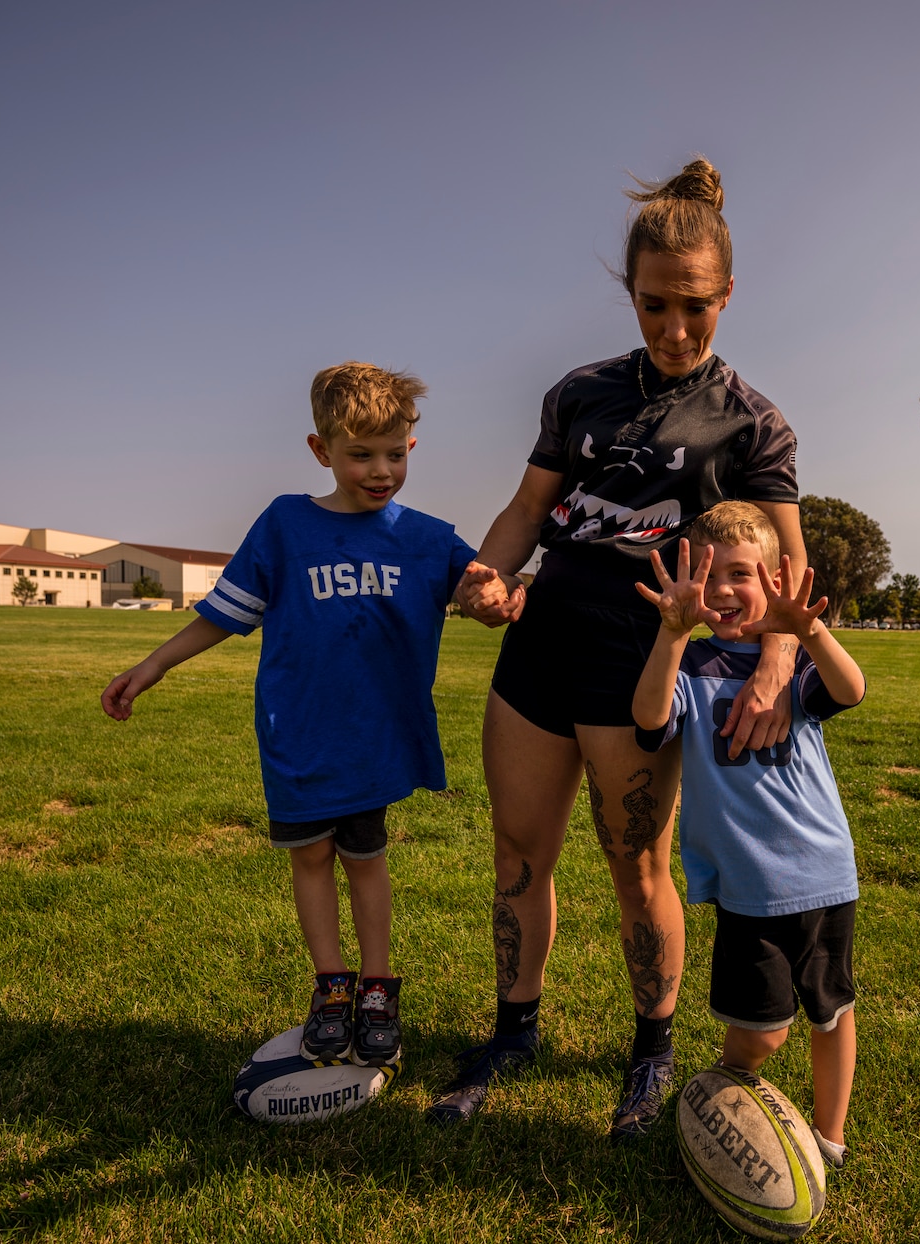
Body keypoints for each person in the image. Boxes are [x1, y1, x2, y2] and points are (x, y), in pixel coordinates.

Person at [435, 158, 810, 1139]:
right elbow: (524, 513)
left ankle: (650, 1050)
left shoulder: (753, 423)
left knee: (633, 863)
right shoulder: (580, 393)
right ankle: (513, 1030)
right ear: (629, 294)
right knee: (517, 849)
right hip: (544, 636)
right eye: (654, 306)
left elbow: (789, 582)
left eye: (694, 306)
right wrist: (486, 575)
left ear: (727, 294)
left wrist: (772, 671)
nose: (674, 328)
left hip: (641, 658)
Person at [100, 363, 481, 1072]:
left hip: (373, 738)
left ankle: (377, 989)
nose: (380, 469)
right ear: (320, 450)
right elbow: (223, 613)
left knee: (366, 857)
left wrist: (497, 592)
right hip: (299, 733)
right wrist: (153, 665)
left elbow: (485, 588)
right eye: (360, 454)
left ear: (412, 448)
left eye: (394, 452)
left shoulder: (428, 538)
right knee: (310, 857)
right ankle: (331, 987)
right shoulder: (284, 524)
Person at [630, 503, 864, 1168]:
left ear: (773, 579)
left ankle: (829, 1138)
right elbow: (648, 716)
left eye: (741, 573)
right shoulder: (694, 665)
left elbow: (851, 688)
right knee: (760, 1030)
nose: (725, 590)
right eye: (708, 576)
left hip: (822, 871)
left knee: (833, 1009)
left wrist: (808, 631)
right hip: (747, 885)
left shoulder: (790, 664)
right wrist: (672, 634)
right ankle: (721, 1107)